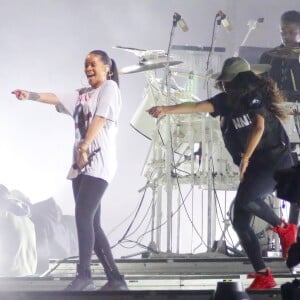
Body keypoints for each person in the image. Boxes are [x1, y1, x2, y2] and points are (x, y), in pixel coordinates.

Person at [147, 57, 297, 290]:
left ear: (240, 80)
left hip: (274, 160)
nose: (224, 85)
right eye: (223, 82)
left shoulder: (253, 97)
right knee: (239, 222)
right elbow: (197, 107)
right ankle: (263, 274)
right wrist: (166, 109)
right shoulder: (225, 102)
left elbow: (259, 127)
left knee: (248, 200)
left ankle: (284, 228)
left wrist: (245, 158)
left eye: (229, 81)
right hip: (255, 165)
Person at [12, 50, 128, 291]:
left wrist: (85, 144)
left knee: (83, 216)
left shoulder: (109, 89)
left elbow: (100, 117)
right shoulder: (82, 94)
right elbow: (54, 97)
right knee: (92, 224)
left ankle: (84, 275)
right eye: (85, 64)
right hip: (80, 164)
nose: (88, 68)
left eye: (93, 64)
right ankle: (116, 279)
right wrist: (29, 95)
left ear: (106, 67)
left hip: (99, 161)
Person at [259, 10, 300, 227]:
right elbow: (259, 85)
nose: (287, 36)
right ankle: (276, 225)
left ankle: (293, 226)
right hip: (274, 116)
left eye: (292, 32)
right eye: (284, 31)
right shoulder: (269, 57)